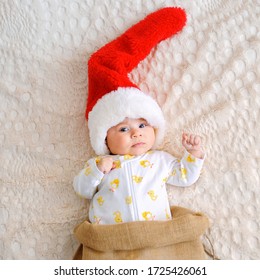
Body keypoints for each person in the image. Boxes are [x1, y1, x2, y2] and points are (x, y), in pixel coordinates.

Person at [73, 7, 205, 224]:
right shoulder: (101, 163)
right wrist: (96, 171)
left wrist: (194, 155)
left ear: (154, 128)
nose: (135, 133)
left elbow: (185, 177)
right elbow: (83, 190)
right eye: (123, 129)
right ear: (105, 139)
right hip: (111, 239)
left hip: (152, 236)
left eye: (142, 126)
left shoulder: (159, 160)